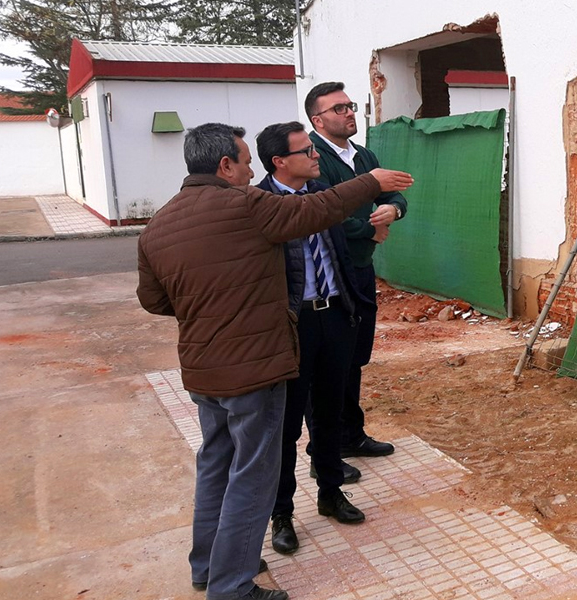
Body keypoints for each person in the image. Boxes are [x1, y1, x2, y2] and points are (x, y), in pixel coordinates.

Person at [137, 123, 411, 600]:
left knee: (217, 466)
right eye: (244, 162)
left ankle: (206, 566)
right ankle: (232, 587)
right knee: (254, 477)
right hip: (254, 368)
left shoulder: (159, 224)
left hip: (204, 371)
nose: (249, 170)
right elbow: (316, 210)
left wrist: (210, 304)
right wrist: (371, 182)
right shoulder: (246, 205)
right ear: (224, 165)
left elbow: (155, 300)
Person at [254, 121, 369, 556]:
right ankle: (281, 512)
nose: (316, 155)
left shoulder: (322, 196)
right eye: (306, 150)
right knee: (285, 425)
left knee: (329, 412)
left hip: (334, 316)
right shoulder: (260, 204)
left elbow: (342, 252)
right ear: (279, 161)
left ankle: (330, 492)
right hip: (291, 325)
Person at [305, 81, 408, 459]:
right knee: (328, 363)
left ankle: (352, 434)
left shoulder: (363, 156)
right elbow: (325, 212)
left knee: (354, 357)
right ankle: (325, 448)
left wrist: (393, 210)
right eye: (339, 108)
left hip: (360, 269)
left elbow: (392, 193)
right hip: (328, 277)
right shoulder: (313, 159)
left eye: (350, 106)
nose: (349, 112)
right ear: (317, 119)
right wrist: (370, 228)